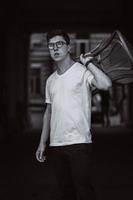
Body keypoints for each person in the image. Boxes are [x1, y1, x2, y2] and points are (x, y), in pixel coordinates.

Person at [36, 29, 112, 200]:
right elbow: (48, 113)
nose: (55, 48)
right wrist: (42, 143)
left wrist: (89, 63)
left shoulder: (81, 71)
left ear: (69, 47)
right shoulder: (50, 80)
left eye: (59, 44)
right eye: (51, 45)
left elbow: (106, 84)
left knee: (84, 191)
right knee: (66, 193)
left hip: (79, 143)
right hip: (56, 144)